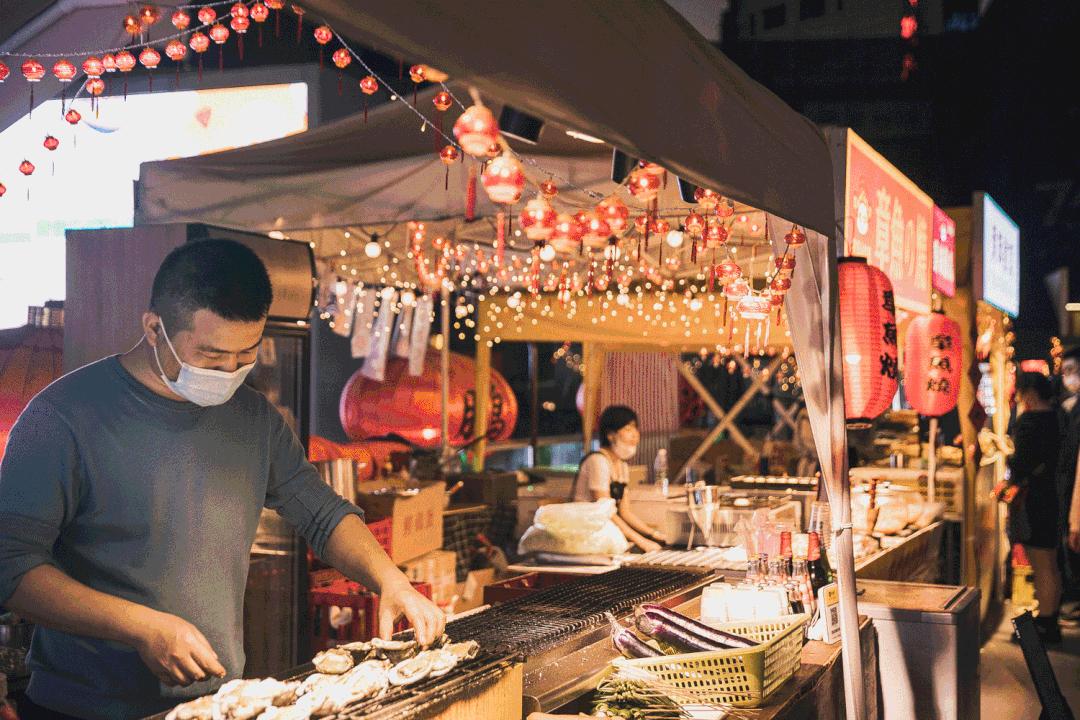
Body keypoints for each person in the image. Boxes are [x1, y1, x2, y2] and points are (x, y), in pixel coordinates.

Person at [0, 240, 444, 720]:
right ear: (154, 329)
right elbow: (10, 568)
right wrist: (141, 627)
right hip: (80, 710)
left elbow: (321, 512)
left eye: (245, 355)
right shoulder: (62, 416)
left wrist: (389, 579)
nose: (230, 372)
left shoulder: (253, 418)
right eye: (211, 357)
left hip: (215, 705)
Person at [1005, 372, 1064, 642]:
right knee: (1049, 561)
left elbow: (1021, 463)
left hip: (1035, 500)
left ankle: (1046, 624)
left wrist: (1009, 457)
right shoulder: (1059, 418)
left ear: (1029, 393)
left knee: (1040, 562)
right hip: (1053, 497)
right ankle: (1050, 620)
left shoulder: (1030, 422)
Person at [571, 405, 665, 553]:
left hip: (604, 528)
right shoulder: (598, 461)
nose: (635, 435)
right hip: (586, 531)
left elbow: (625, 512)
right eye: (628, 429)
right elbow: (605, 511)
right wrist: (641, 541)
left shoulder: (622, 466)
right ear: (610, 435)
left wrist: (653, 534)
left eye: (636, 428)